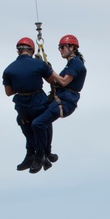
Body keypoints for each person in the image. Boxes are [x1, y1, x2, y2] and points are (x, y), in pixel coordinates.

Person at [31, 34, 87, 165]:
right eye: (59, 48)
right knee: (41, 119)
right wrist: (44, 70)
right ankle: (47, 153)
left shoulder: (76, 63)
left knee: (37, 124)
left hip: (65, 101)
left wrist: (48, 69)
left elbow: (63, 82)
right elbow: (56, 81)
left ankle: (41, 155)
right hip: (62, 99)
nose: (61, 50)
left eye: (62, 47)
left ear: (72, 47)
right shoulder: (71, 65)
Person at [2, 37, 55, 173]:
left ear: (18, 51)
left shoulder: (9, 69)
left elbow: (9, 92)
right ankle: (43, 153)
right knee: (42, 123)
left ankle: (31, 155)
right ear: (32, 50)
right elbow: (51, 80)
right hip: (38, 100)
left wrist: (21, 84)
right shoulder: (39, 64)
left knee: (24, 123)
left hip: (22, 104)